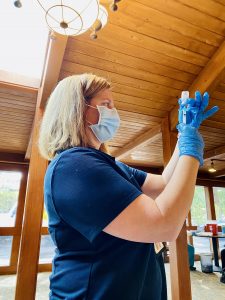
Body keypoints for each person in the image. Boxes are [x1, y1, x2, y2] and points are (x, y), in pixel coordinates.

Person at [38, 73, 218, 300]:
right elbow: (164, 224)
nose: (114, 112)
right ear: (76, 110)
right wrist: (192, 150)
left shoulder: (111, 166)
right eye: (106, 105)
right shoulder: (74, 165)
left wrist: (185, 132)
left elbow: (163, 184)